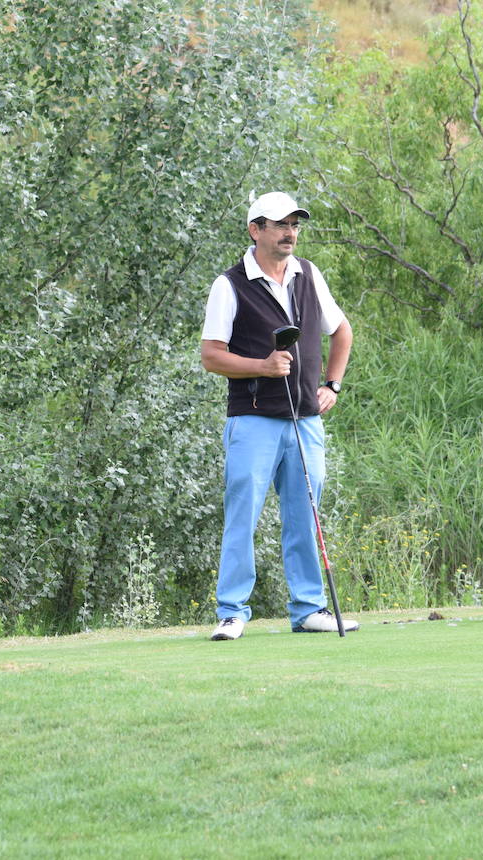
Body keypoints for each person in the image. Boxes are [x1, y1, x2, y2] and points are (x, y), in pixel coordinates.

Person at [200, 191, 356, 641]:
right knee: (243, 515)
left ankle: (308, 608)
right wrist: (262, 367)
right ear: (255, 230)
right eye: (280, 224)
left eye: (295, 225)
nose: (290, 233)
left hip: (305, 419)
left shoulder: (308, 274)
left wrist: (332, 384)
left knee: (305, 514)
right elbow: (212, 356)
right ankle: (232, 611)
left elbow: (341, 331)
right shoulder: (229, 284)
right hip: (253, 420)